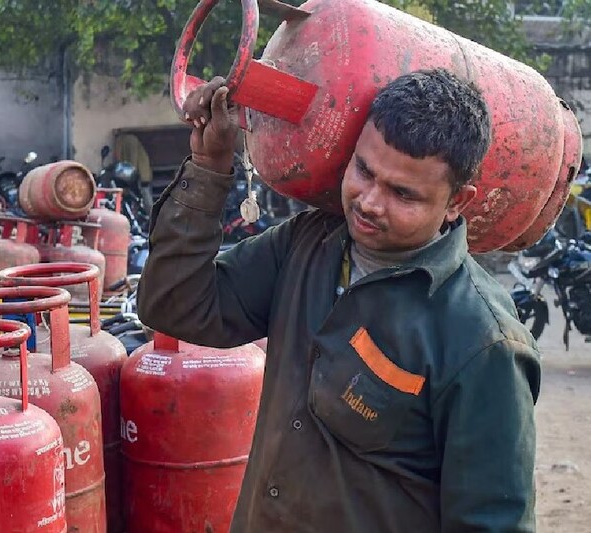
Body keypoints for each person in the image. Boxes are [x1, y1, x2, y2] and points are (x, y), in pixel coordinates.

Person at [137, 69, 541, 532]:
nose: (369, 201)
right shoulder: (307, 246)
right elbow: (173, 306)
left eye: (402, 194)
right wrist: (209, 167)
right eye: (364, 171)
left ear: (457, 202)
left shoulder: (484, 344)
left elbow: (491, 524)